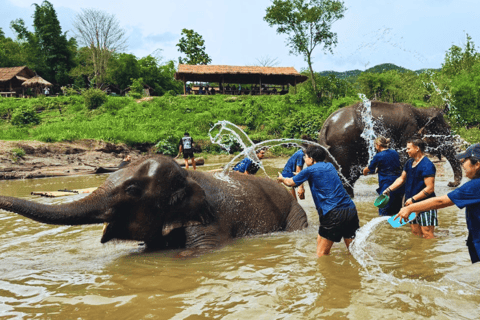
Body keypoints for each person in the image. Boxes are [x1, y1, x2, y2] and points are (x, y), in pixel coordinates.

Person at [395, 143, 480, 263]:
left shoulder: (475, 186)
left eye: (465, 160)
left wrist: (410, 208)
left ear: (477, 164)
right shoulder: (409, 163)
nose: (462, 163)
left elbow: (441, 201)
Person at [277, 145, 360, 257]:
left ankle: (326, 274)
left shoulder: (309, 170)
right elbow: (319, 175)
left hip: (333, 213)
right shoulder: (330, 166)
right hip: (350, 210)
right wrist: (302, 175)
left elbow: (290, 183)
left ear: (311, 159)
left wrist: (282, 179)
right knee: (353, 251)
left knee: (321, 255)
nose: (304, 160)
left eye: (305, 157)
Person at [383, 137, 437, 239]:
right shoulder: (409, 163)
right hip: (411, 205)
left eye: (408, 148)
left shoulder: (427, 165)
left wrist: (413, 199)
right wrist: (388, 189)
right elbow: (401, 179)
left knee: (427, 234)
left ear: (417, 148)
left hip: (426, 204)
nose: (406, 151)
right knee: (415, 232)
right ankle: (419, 255)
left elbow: (430, 188)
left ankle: (429, 254)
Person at [362, 136, 405, 216]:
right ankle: (396, 227)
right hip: (399, 185)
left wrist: (364, 172)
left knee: (383, 212)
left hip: (387, 185)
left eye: (375, 145)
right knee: (396, 212)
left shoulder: (378, 156)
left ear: (378, 144)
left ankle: (386, 228)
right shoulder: (394, 153)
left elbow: (369, 169)